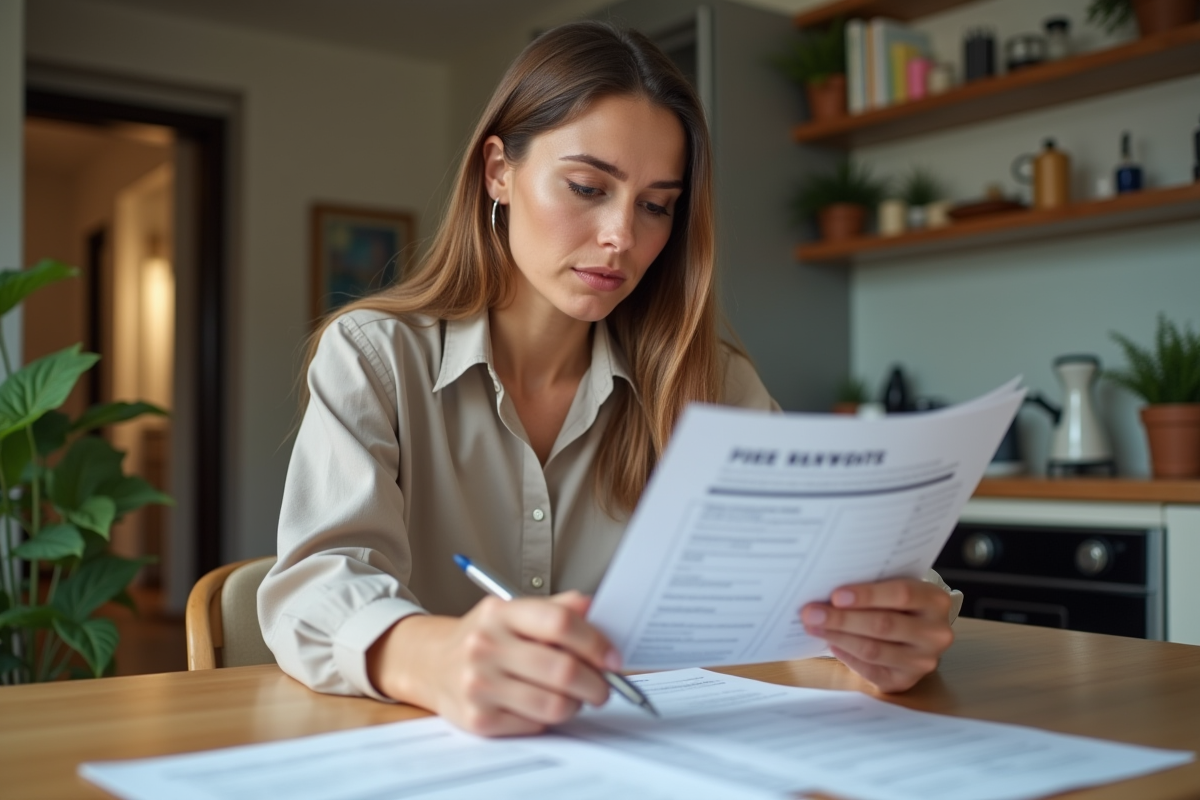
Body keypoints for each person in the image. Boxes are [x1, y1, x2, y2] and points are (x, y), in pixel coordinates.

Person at [259, 20, 957, 738]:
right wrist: (431, 655)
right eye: (589, 186)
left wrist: (895, 627)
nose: (622, 235)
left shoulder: (710, 379)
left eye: (656, 205)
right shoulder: (375, 357)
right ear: (498, 170)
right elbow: (314, 584)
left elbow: (832, 558)